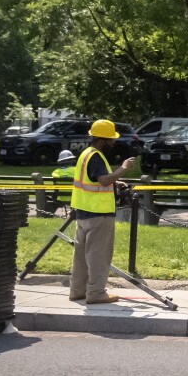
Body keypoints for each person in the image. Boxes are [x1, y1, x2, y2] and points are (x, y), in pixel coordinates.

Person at [69, 119, 136, 304]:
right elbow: (104, 180)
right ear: (102, 140)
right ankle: (96, 293)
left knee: (81, 256)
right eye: (111, 139)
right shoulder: (97, 156)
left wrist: (115, 181)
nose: (114, 143)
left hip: (83, 212)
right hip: (99, 215)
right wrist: (123, 170)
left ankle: (77, 291)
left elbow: (96, 180)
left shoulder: (86, 154)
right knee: (99, 256)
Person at [49, 149, 76, 213]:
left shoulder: (55, 172)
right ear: (71, 160)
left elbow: (55, 188)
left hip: (60, 198)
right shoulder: (76, 170)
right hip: (75, 198)